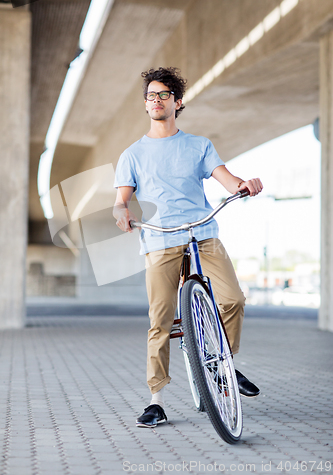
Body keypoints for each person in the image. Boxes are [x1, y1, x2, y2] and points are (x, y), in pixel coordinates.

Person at [113, 67, 263, 428]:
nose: (156, 100)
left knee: (232, 300)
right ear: (145, 104)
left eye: (163, 94)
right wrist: (122, 212)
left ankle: (223, 363)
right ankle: (156, 399)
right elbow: (122, 200)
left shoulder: (199, 145)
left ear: (177, 102)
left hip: (203, 233)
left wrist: (244, 185)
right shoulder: (132, 154)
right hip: (160, 239)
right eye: (150, 95)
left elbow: (227, 180)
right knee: (160, 320)